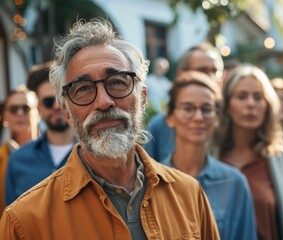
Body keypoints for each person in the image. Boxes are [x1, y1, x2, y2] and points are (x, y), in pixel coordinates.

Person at [0, 19, 220, 239]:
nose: (104, 101)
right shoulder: (24, 222)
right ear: (66, 112)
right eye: (83, 89)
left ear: (142, 99)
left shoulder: (190, 195)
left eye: (117, 82)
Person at [161, 71, 257, 239]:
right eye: (188, 108)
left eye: (206, 109)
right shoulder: (153, 182)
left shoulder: (234, 182)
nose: (198, 117)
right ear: (170, 117)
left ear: (217, 118)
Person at [211, 65, 283, 240]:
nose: (250, 104)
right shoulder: (210, 157)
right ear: (226, 105)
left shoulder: (282, 159)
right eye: (241, 97)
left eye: (258, 97)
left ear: (268, 105)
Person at [5, 62, 76, 205]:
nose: (57, 106)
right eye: (49, 101)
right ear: (39, 107)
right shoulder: (18, 160)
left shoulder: (93, 155)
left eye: (60, 98)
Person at [143, 42, 224, 161]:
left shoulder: (231, 122)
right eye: (203, 71)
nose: (211, 78)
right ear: (182, 75)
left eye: (216, 72)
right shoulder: (159, 126)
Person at [0, 85, 40, 213]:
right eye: (13, 109)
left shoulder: (55, 151)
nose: (20, 113)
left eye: (26, 108)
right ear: (4, 116)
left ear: (38, 112)